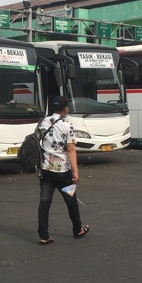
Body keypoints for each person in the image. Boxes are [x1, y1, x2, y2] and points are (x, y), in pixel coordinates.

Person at [37, 95, 89, 245]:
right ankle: (78, 229)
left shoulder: (43, 122)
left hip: (46, 170)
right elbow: (71, 150)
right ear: (65, 109)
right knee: (71, 200)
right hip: (63, 172)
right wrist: (76, 172)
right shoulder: (67, 126)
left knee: (44, 202)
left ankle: (44, 236)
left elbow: (37, 139)